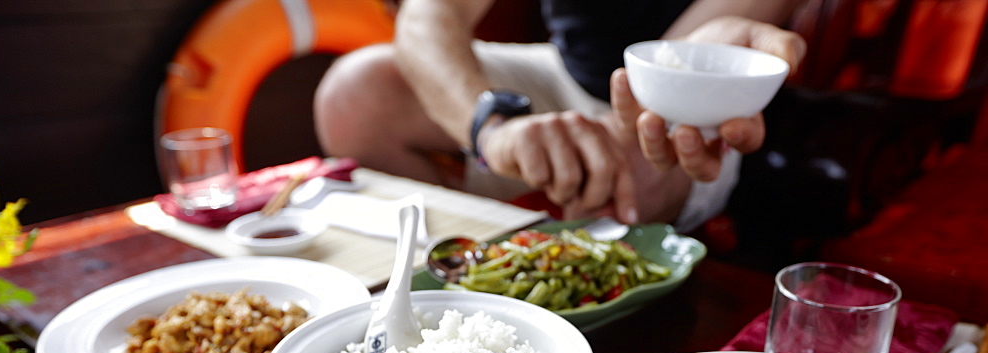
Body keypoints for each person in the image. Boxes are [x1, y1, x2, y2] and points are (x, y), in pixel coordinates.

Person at [314, 0, 807, 232]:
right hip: (561, 71)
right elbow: (428, 14)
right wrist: (491, 128)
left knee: (620, 182)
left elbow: (666, 65)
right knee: (354, 96)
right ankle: (458, 253)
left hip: (688, 105)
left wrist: (668, 99)